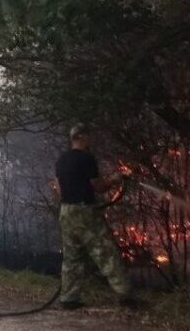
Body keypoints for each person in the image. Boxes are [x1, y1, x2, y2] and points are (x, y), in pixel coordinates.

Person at [55, 123, 139, 310]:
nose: (91, 140)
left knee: (71, 257)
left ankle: (69, 298)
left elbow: (61, 188)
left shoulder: (61, 159)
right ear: (83, 137)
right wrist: (115, 180)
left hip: (66, 212)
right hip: (84, 212)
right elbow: (99, 186)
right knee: (106, 253)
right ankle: (126, 296)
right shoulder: (86, 158)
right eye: (89, 136)